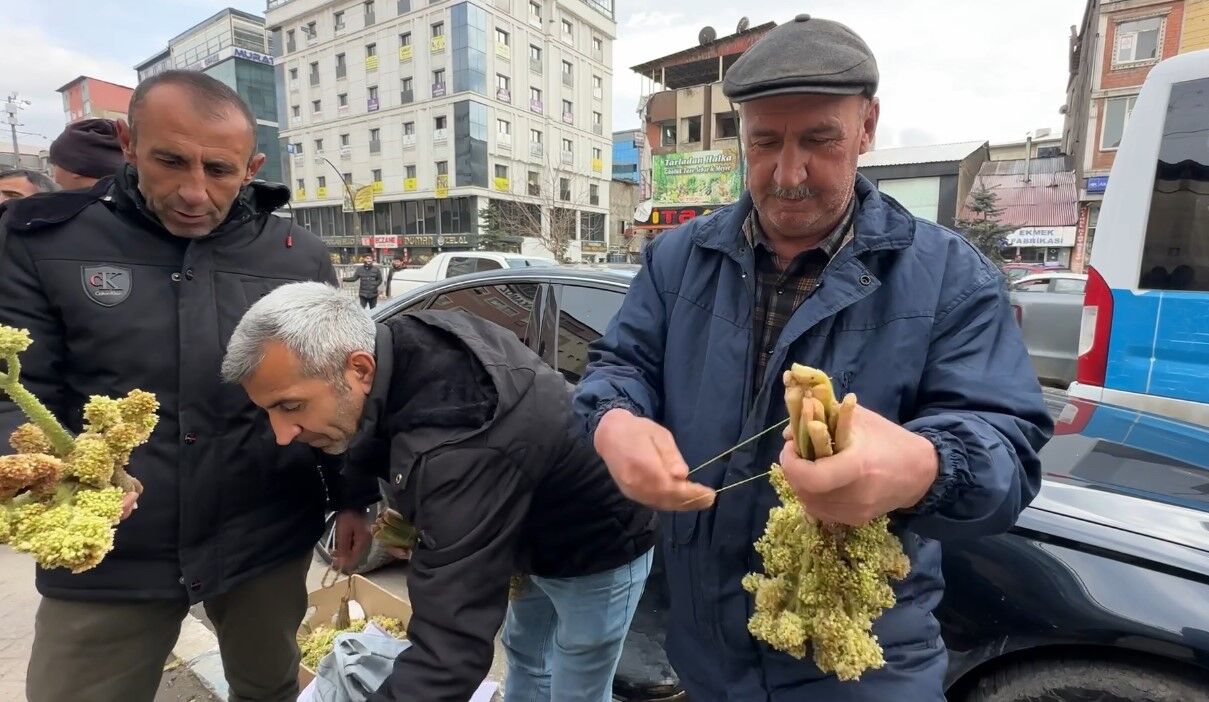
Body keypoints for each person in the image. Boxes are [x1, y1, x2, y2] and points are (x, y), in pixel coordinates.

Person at [573, 15, 1053, 702]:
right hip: (704, 658)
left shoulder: (953, 278)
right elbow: (616, 367)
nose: (788, 173)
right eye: (765, 142)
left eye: (819, 141)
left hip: (863, 669)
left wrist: (924, 467)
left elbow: (1006, 452)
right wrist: (613, 422)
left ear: (866, 128)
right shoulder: (677, 260)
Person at [0, 70, 375, 702]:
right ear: (128, 143)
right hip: (114, 554)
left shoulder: (295, 252)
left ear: (252, 165)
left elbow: (333, 388)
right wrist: (41, 480)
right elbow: (14, 391)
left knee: (269, 688)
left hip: (264, 537)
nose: (194, 192)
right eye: (169, 161)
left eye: (221, 170)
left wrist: (353, 498)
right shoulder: (44, 239)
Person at [221, 281, 658, 702]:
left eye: (291, 407)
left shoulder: (460, 442)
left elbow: (448, 649)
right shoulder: (398, 346)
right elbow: (370, 426)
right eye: (270, 410)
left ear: (359, 369)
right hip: (525, 531)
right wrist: (353, 502)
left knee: (579, 678)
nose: (282, 434)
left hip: (598, 539)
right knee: (527, 652)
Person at [49, 118, 125, 190]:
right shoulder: (130, 197)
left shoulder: (68, 203)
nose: (55, 179)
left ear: (76, 165)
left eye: (55, 165)